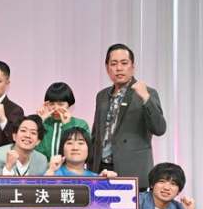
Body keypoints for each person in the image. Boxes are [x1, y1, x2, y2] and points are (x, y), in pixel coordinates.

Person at [90, 44, 167, 189]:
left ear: (132, 66)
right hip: (102, 170)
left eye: (124, 63)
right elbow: (96, 135)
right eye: (114, 64)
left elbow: (159, 128)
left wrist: (146, 98)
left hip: (132, 171)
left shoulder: (147, 92)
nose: (119, 68)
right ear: (107, 68)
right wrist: (91, 168)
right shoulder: (102, 96)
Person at [35, 82, 90, 160]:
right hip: (45, 167)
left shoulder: (81, 124)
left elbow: (80, 152)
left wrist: (67, 125)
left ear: (69, 105)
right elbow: (34, 151)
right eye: (52, 104)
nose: (56, 108)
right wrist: (39, 122)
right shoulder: (43, 123)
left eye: (60, 104)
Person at [45, 127, 117, 177]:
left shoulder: (95, 178)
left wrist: (104, 183)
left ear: (88, 149)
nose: (75, 148)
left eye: (80, 143)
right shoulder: (52, 174)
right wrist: (51, 171)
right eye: (69, 143)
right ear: (62, 148)